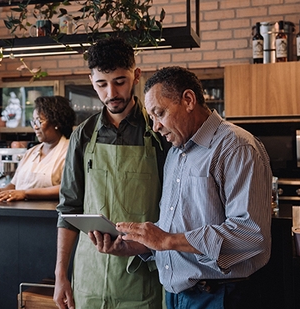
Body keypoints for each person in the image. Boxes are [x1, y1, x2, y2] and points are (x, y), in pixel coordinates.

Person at [90, 66, 272, 309]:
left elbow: (251, 235)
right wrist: (141, 245)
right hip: (176, 296)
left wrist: (168, 240)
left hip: (220, 296)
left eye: (160, 113)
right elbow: (178, 229)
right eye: (151, 117)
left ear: (188, 100)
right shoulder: (176, 152)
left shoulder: (236, 147)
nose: (155, 126)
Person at [54, 37, 170, 309]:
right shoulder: (82, 135)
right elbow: (69, 208)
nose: (111, 93)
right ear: (91, 80)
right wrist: (61, 274)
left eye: (120, 81)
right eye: (101, 84)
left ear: (136, 76)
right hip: (90, 272)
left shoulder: (158, 132)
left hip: (142, 273)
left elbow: (175, 207)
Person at [0, 96, 76, 202]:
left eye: (39, 121)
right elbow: (14, 185)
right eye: (33, 122)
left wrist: (25, 194)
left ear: (57, 122)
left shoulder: (70, 151)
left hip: (48, 214)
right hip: (21, 214)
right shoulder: (31, 152)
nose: (35, 127)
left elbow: (68, 189)